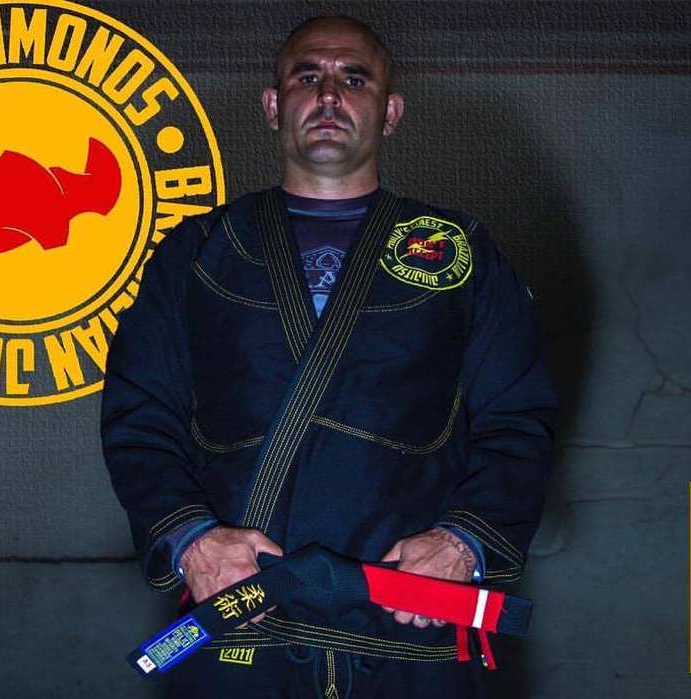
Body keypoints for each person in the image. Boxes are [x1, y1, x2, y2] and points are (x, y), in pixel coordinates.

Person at [101, 15, 558, 698]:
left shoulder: (456, 250)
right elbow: (140, 412)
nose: (328, 95)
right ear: (273, 105)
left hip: (409, 622)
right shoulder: (201, 251)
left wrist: (463, 541)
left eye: (354, 79)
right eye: (307, 76)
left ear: (390, 112)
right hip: (243, 620)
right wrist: (191, 537)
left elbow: (518, 416)